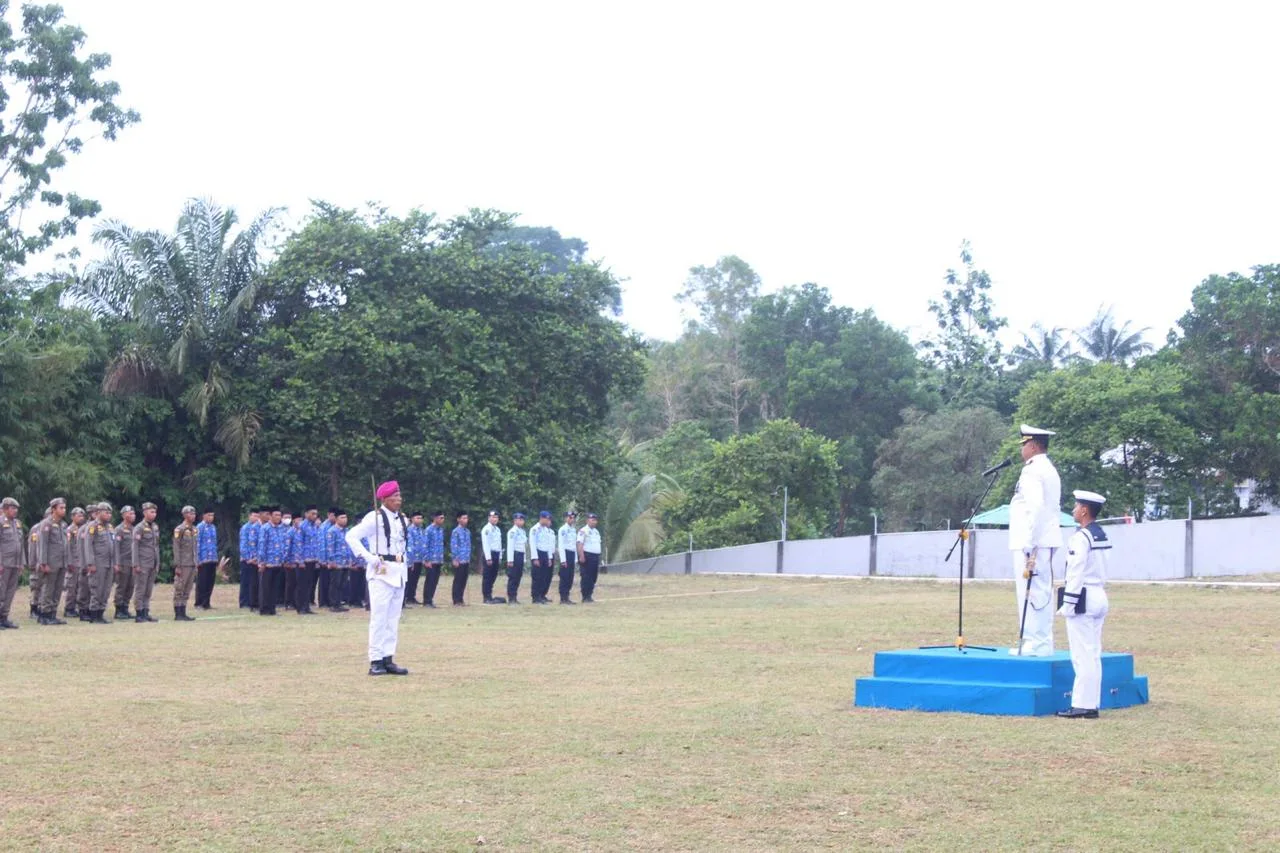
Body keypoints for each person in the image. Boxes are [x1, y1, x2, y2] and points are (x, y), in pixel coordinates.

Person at [1057, 490, 1112, 719]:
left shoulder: (1081, 537)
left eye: (1077, 506)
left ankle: (1082, 704)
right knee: (1093, 652)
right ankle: (1090, 702)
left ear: (1085, 510)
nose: (1073, 510)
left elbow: (1075, 572)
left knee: (1082, 654)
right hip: (1099, 594)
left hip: (1084, 597)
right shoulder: (1101, 535)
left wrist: (1068, 603)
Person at [1008, 424, 1063, 656]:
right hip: (1042, 539)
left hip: (1032, 541)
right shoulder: (1047, 468)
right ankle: (1039, 641)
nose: (1022, 450)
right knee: (1040, 591)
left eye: (1024, 445)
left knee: (1031, 591)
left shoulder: (1032, 471)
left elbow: (1035, 508)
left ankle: (1034, 642)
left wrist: (1030, 543)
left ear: (1032, 446)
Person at [346, 481, 410, 676]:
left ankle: (388, 657)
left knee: (393, 618)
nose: (399, 500)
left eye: (399, 496)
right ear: (384, 499)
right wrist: (368, 557)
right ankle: (375, 660)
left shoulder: (401, 519)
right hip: (381, 572)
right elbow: (351, 536)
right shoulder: (375, 518)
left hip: (399, 571)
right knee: (379, 618)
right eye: (395, 497)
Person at [36, 498, 71, 625]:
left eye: (64, 508)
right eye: (61, 508)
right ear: (53, 510)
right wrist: (43, 563)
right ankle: (45, 615)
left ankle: (52, 614)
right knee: (48, 589)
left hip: (61, 562)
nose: (64, 510)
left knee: (57, 590)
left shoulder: (63, 525)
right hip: (50, 563)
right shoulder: (46, 524)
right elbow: (43, 545)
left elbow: (65, 545)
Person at [81, 503, 116, 624]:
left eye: (110, 513)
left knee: (106, 590)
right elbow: (88, 545)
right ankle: (94, 614)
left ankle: (101, 613)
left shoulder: (110, 527)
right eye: (106, 512)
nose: (109, 515)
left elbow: (113, 544)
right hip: (98, 563)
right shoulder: (92, 526)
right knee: (97, 589)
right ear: (99, 512)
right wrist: (90, 563)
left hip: (109, 563)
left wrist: (115, 562)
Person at [132, 502, 162, 623]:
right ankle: (139, 613)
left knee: (148, 590)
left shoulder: (155, 527)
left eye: (155, 512)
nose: (154, 514)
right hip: (142, 563)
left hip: (152, 563)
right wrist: (136, 564)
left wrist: (157, 563)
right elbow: (135, 546)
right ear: (144, 513)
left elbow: (156, 546)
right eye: (151, 512)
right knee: (140, 589)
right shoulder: (139, 527)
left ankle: (146, 612)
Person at [0, 496, 26, 629]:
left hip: (15, 563)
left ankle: (4, 617)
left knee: (10, 592)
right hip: (4, 563)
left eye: (16, 508)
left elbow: (21, 544)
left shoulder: (17, 524)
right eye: (12, 508)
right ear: (5, 509)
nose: (15, 511)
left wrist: (22, 562)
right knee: (1, 591)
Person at [258, 507, 288, 616]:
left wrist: (283, 559)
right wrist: (262, 562)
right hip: (268, 563)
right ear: (270, 516)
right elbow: (262, 545)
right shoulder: (265, 528)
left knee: (274, 587)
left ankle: (272, 608)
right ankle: (264, 609)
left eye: (279, 515)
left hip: (278, 562)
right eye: (276, 515)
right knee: (265, 587)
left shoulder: (282, 529)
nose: (278, 517)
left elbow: (283, 545)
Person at [172, 505, 199, 621]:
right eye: (190, 514)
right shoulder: (180, 529)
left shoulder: (194, 529)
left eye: (194, 514)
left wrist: (197, 562)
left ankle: (183, 612)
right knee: (180, 588)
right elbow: (176, 547)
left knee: (187, 588)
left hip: (192, 563)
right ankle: (178, 613)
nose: (193, 516)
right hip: (183, 563)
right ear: (184, 515)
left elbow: (195, 547)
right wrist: (178, 565)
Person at [299, 505, 327, 614]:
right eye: (312, 513)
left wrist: (319, 559)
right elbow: (299, 544)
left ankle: (307, 606)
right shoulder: (302, 526)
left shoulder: (315, 527)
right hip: (304, 560)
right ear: (306, 514)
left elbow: (317, 544)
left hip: (313, 560)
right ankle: (301, 607)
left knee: (309, 584)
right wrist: (300, 560)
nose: (314, 516)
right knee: (302, 584)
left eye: (316, 514)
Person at [325, 509, 353, 610]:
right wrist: (331, 561)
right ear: (336, 519)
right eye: (342, 518)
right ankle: (333, 604)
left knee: (343, 583)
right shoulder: (332, 531)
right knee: (335, 583)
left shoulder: (347, 531)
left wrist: (350, 559)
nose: (344, 520)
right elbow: (329, 547)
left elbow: (349, 546)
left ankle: (339, 603)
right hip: (336, 562)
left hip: (345, 561)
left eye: (345, 517)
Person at [112, 506, 136, 620]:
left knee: (130, 586)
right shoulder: (119, 529)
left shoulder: (133, 529)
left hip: (132, 562)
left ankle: (125, 607)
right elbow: (115, 547)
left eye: (133, 513)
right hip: (123, 562)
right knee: (122, 586)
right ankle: (118, 609)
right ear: (124, 515)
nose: (133, 515)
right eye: (130, 513)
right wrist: (117, 563)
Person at [530, 511, 557, 605]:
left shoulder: (546, 530)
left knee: (544, 576)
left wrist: (549, 558)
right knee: (537, 576)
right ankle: (535, 597)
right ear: (542, 518)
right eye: (547, 519)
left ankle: (541, 595)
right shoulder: (535, 529)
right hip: (538, 553)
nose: (548, 521)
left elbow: (548, 544)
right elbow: (533, 544)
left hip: (545, 554)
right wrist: (535, 558)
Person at [63, 506, 86, 619]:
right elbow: (67, 548)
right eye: (79, 516)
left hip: (81, 562)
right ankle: (69, 608)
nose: (81, 518)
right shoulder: (69, 530)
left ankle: (76, 607)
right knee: (71, 587)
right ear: (72, 517)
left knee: (80, 586)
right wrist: (69, 563)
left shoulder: (83, 529)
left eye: (82, 516)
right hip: (73, 562)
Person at [195, 507, 219, 609]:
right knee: (202, 582)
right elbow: (197, 544)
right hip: (203, 558)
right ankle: (199, 603)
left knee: (210, 582)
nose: (211, 517)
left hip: (212, 558)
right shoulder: (199, 527)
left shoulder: (213, 527)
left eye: (212, 515)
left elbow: (214, 543)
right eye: (209, 515)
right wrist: (198, 559)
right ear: (204, 516)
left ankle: (206, 602)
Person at [480, 510, 506, 604]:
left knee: (493, 576)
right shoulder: (486, 529)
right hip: (489, 554)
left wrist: (500, 557)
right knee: (487, 576)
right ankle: (486, 597)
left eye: (496, 517)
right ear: (489, 518)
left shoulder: (497, 529)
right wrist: (488, 558)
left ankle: (490, 595)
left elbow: (499, 544)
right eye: (493, 517)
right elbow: (486, 544)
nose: (495, 519)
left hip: (496, 554)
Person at [422, 511, 446, 608]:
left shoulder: (440, 530)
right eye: (440, 518)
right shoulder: (429, 530)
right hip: (431, 560)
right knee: (429, 581)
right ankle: (426, 601)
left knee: (435, 581)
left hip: (438, 559)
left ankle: (430, 599)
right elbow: (425, 545)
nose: (442, 520)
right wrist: (427, 559)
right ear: (435, 518)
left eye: (443, 518)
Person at [577, 513, 602, 603]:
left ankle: (590, 595)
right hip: (587, 556)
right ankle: (585, 596)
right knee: (586, 576)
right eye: (592, 520)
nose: (594, 522)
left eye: (595, 520)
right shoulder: (583, 531)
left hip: (595, 556)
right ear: (587, 520)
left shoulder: (596, 532)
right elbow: (580, 543)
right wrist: (581, 555)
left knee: (593, 577)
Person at [238, 508, 261, 610]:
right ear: (249, 516)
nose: (256, 518)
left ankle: (253, 601)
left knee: (254, 582)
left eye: (257, 516)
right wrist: (247, 558)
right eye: (254, 516)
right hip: (246, 559)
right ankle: (244, 602)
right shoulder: (245, 528)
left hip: (256, 560)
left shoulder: (259, 527)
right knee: (246, 581)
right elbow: (243, 545)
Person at [405, 511, 427, 607]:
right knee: (409, 579)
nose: (419, 520)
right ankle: (406, 597)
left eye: (420, 518)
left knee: (415, 579)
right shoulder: (409, 530)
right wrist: (411, 560)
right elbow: (410, 545)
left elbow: (423, 544)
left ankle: (411, 597)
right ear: (412, 519)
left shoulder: (421, 530)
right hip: (412, 559)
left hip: (420, 559)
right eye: (417, 518)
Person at [449, 511, 472, 606]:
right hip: (459, 559)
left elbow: (469, 545)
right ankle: (456, 599)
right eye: (463, 518)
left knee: (463, 580)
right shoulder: (455, 531)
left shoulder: (467, 531)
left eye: (466, 518)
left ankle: (461, 598)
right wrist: (455, 558)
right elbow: (454, 546)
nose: (465, 520)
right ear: (458, 519)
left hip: (466, 559)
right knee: (458, 580)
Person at [506, 512, 528, 604]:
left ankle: (515, 596)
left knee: (518, 576)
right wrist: (510, 560)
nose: (522, 522)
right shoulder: (512, 531)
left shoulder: (522, 531)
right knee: (513, 577)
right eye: (520, 520)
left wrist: (524, 558)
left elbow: (523, 546)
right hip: (514, 555)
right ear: (515, 521)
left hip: (520, 555)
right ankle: (511, 597)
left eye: (522, 520)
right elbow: (510, 546)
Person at [557, 510, 578, 605]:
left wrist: (576, 558)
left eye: (573, 518)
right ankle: (563, 598)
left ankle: (567, 597)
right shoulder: (563, 529)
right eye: (570, 517)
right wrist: (563, 560)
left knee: (570, 577)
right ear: (566, 518)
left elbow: (574, 545)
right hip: (565, 553)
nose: (572, 519)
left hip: (572, 554)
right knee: (564, 576)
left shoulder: (573, 530)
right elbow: (561, 545)